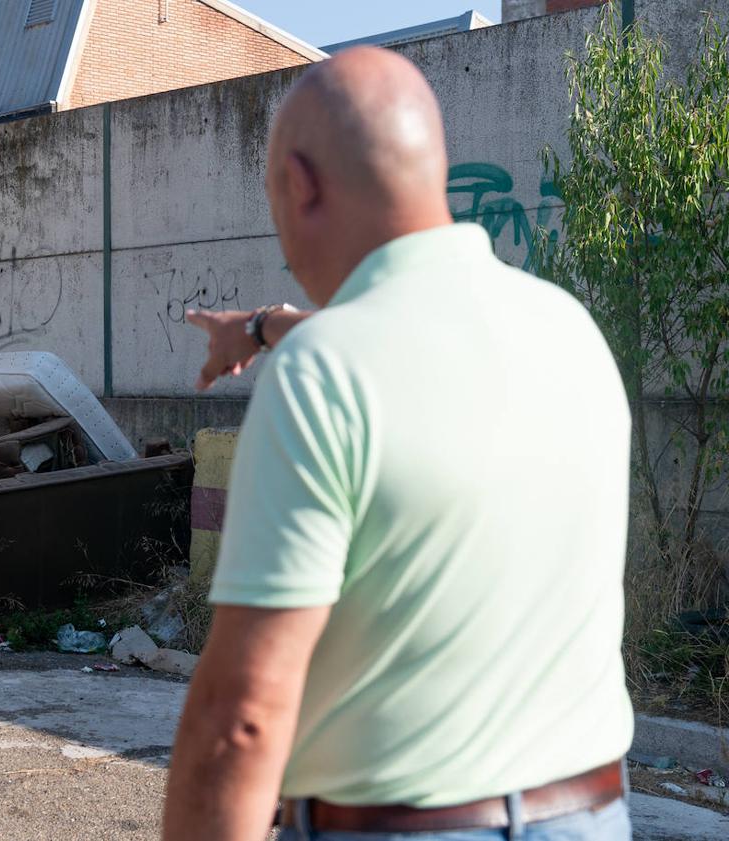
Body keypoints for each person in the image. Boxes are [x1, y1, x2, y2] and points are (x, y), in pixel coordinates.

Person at [162, 47, 633, 841]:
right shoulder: (570, 331)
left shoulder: (323, 376)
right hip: (590, 814)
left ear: (300, 185)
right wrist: (261, 327)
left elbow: (240, 719)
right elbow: (415, 352)